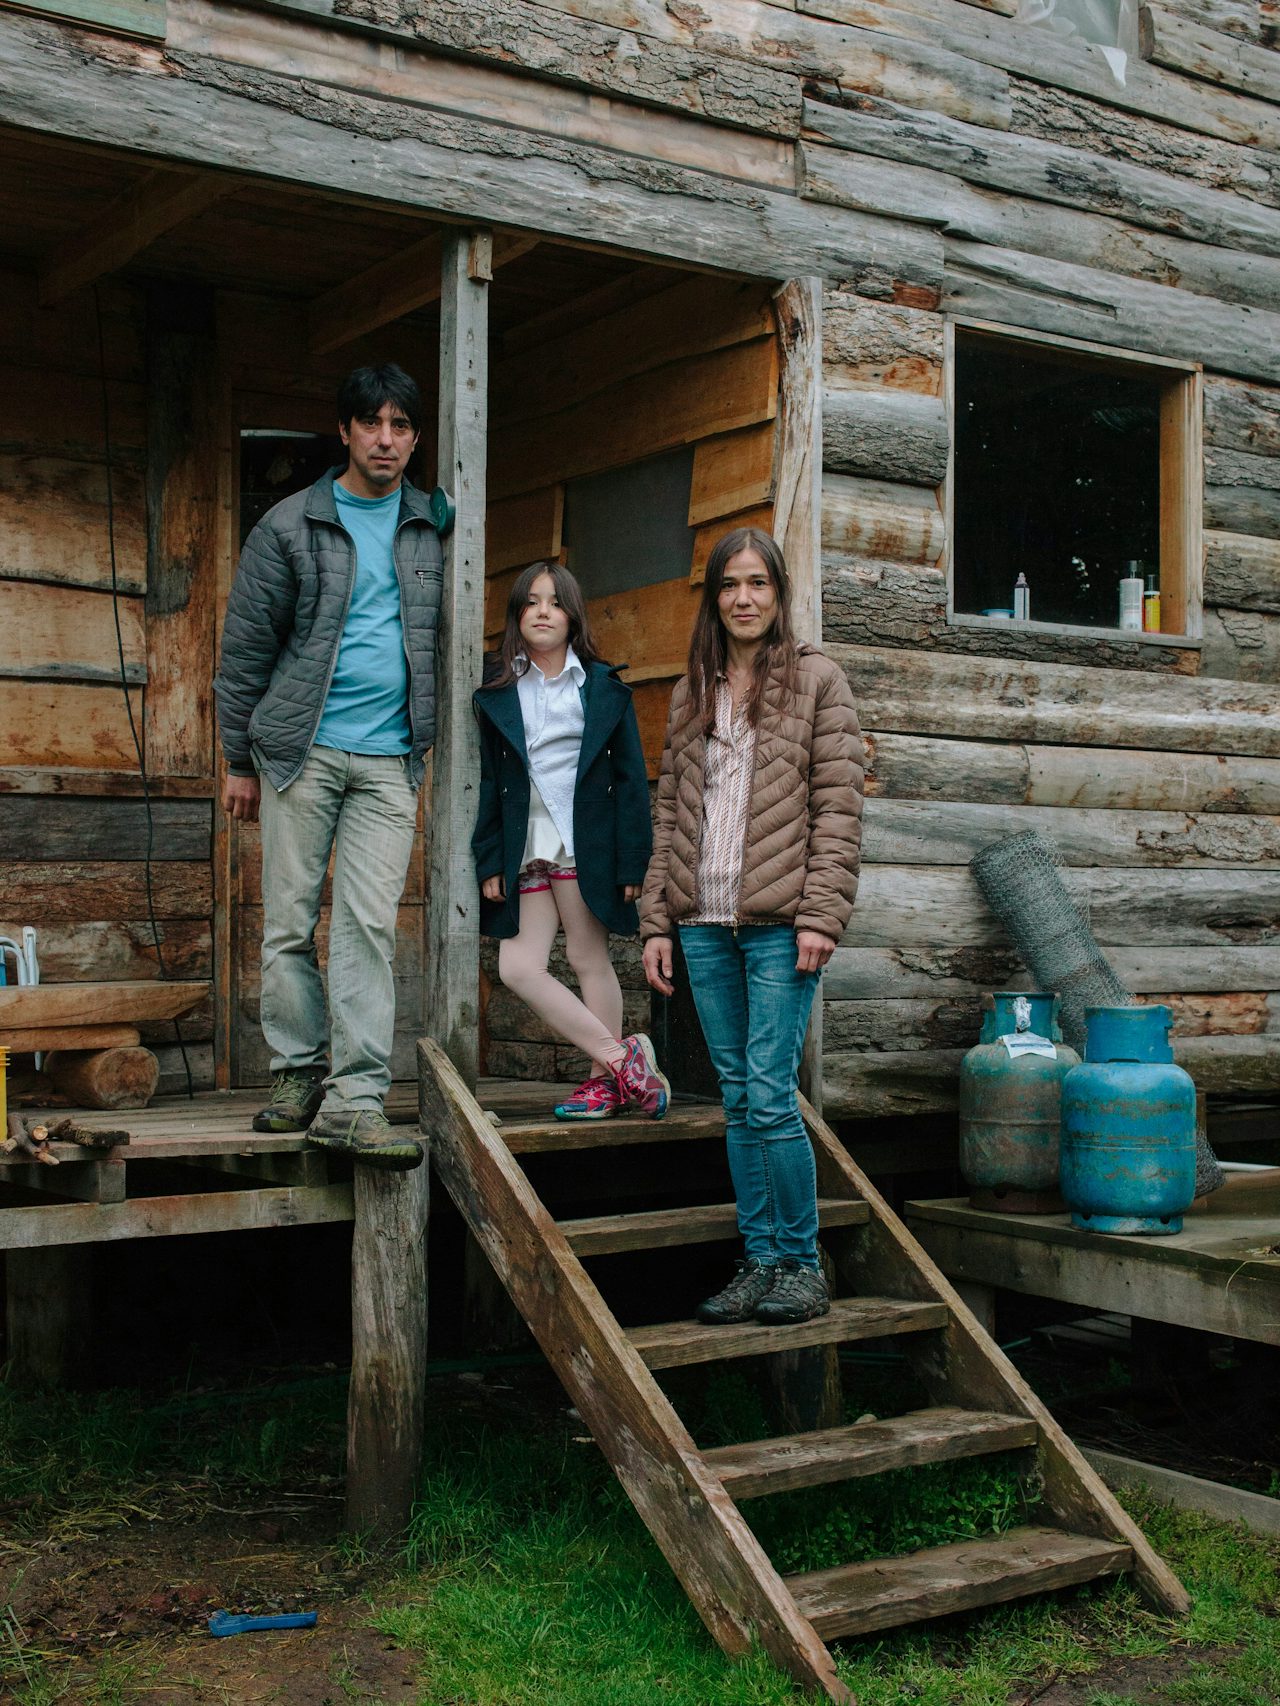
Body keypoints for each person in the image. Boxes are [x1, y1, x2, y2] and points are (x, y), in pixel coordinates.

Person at [215, 363, 441, 1170]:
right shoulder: (287, 525)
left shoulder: (433, 523)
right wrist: (238, 757)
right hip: (298, 752)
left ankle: (355, 1099)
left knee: (367, 928)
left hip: (389, 761)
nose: (386, 439)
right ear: (344, 430)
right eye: (372, 423)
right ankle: (296, 1075)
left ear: (416, 437)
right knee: (287, 923)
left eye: (401, 426)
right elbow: (245, 651)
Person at [640, 527, 864, 1325]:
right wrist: (658, 920)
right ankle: (761, 1258)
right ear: (714, 597)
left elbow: (838, 807)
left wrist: (822, 915)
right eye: (730, 585)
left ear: (778, 594)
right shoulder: (690, 691)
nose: (743, 598)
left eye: (757, 584)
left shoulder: (817, 682)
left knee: (770, 1094)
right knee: (738, 1097)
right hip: (702, 921)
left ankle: (800, 1263)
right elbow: (669, 810)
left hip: (779, 925)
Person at [472, 561, 669, 1122]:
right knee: (517, 966)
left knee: (587, 956)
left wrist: (633, 858)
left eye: (555, 602)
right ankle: (620, 1058)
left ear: (572, 615)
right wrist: (490, 857)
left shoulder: (603, 688)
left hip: (587, 843)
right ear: (516, 615)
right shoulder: (497, 688)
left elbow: (633, 779)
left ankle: (602, 1084)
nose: (542, 611)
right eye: (531, 601)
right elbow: (488, 780)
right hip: (524, 843)